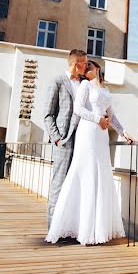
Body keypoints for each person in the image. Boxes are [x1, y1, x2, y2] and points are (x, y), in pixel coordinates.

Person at [46, 59, 134, 245]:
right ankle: (77, 227)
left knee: (100, 175)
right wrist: (96, 119)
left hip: (101, 136)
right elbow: (78, 109)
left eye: (89, 66)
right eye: (85, 67)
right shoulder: (85, 85)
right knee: (85, 173)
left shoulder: (106, 90)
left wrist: (124, 133)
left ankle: (96, 228)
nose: (86, 69)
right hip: (87, 132)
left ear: (98, 68)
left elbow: (112, 115)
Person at [42, 49, 107, 226]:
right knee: (59, 185)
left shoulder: (85, 83)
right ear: (75, 63)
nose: (87, 66)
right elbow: (48, 114)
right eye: (84, 62)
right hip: (64, 141)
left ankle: (70, 227)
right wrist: (56, 138)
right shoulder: (57, 82)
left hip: (83, 141)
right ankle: (53, 227)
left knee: (76, 186)